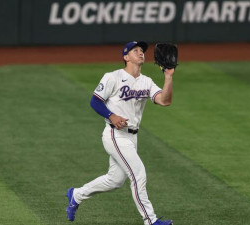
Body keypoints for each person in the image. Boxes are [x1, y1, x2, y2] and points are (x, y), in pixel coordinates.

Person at [66, 41, 175, 225]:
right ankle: (151, 220)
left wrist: (169, 77)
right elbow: (95, 101)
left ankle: (76, 195)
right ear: (126, 57)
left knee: (115, 180)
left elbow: (165, 101)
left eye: (142, 51)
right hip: (115, 135)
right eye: (135, 50)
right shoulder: (113, 77)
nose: (141, 53)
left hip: (132, 137)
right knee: (138, 174)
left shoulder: (146, 81)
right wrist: (111, 115)